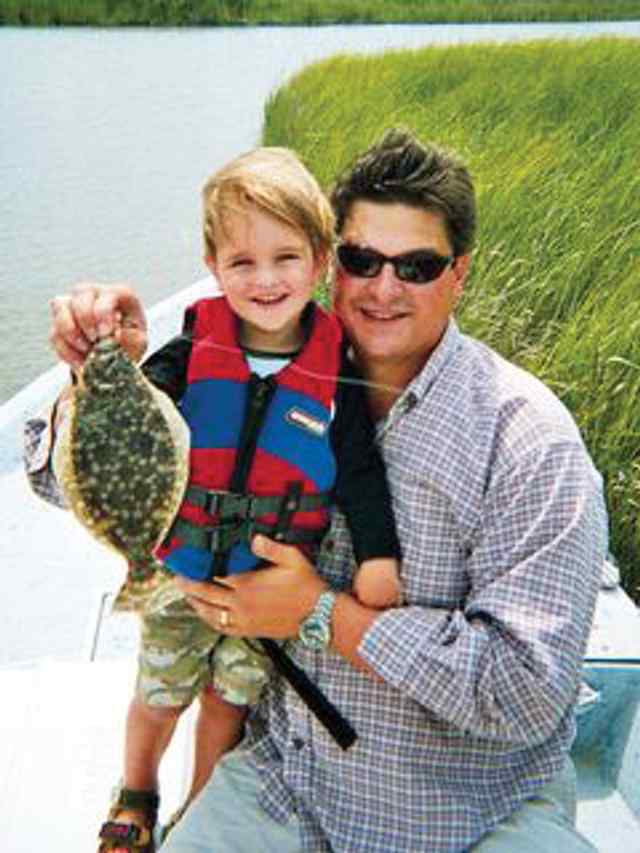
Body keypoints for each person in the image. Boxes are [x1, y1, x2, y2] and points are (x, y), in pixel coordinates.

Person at [28, 128, 607, 852]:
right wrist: (104, 367)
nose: (384, 288)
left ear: (460, 273)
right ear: (335, 262)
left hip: (472, 806)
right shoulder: (223, 355)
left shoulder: (530, 442)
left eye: (418, 266)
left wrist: (321, 613)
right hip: (285, 777)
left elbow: (525, 690)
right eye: (363, 259)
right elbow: (69, 484)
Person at [28, 146, 402, 852]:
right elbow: (122, 416)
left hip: (269, 587)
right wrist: (105, 357)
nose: (265, 280)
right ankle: (136, 788)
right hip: (175, 571)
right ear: (212, 264)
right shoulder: (189, 347)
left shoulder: (336, 370)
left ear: (320, 261)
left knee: (228, 699)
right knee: (160, 691)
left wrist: (379, 554)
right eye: (242, 262)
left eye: (286, 258)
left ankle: (202, 805)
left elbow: (358, 471)